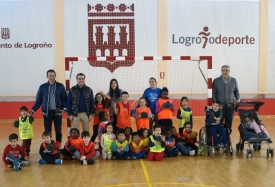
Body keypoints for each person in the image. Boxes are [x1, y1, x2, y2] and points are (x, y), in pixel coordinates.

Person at [31, 69, 67, 143]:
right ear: (47, 76)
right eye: (50, 76)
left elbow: (64, 99)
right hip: (47, 113)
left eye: (53, 76)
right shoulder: (42, 87)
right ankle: (48, 147)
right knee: (47, 132)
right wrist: (32, 110)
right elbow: (38, 100)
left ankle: (58, 146)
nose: (51, 77)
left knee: (58, 132)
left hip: (57, 113)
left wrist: (64, 109)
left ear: (55, 76)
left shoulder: (61, 86)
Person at [212, 65, 240, 132]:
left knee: (229, 123)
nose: (225, 72)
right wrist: (217, 104)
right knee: (219, 122)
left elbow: (236, 91)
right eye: (223, 70)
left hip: (230, 106)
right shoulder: (216, 81)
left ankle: (228, 137)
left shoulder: (234, 80)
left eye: (227, 70)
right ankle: (219, 137)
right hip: (220, 106)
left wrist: (238, 98)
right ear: (221, 71)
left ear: (229, 71)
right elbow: (213, 94)